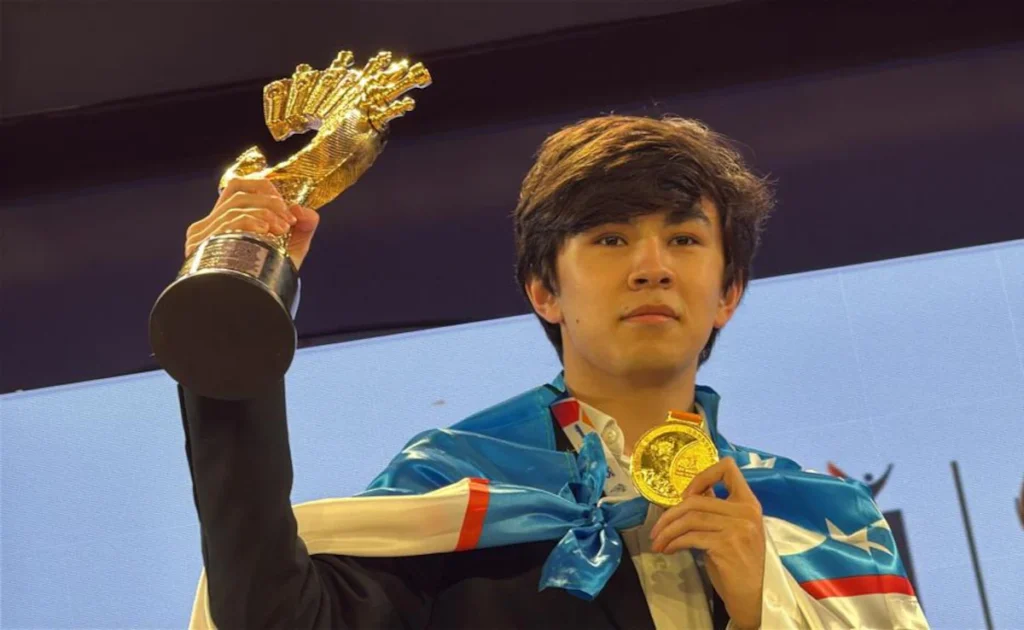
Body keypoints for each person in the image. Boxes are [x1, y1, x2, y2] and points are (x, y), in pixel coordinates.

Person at [177, 115, 929, 629]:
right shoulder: (453, 491)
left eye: (684, 239)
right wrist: (228, 318)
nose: (652, 268)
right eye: (610, 239)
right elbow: (272, 617)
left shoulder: (819, 521)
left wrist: (765, 602)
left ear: (728, 293)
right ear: (544, 290)